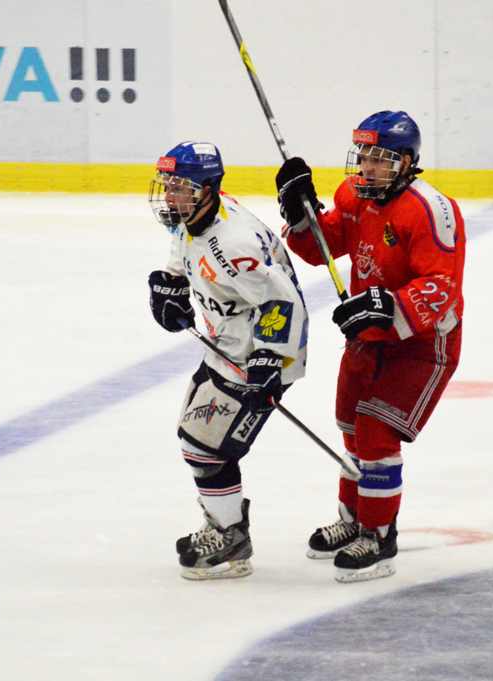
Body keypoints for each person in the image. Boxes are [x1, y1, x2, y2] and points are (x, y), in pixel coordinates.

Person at [275, 111, 466, 583]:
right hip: (369, 337)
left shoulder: (432, 210)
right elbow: (323, 246)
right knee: (351, 431)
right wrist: (300, 217)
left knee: (376, 433)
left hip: (422, 342)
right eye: (364, 156)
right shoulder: (354, 196)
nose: (367, 167)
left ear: (406, 163)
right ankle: (354, 519)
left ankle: (379, 537)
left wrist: (386, 306)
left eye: (379, 159)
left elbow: (442, 287)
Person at [147, 141, 309, 580]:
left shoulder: (234, 244)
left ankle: (230, 535)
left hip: (259, 354)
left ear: (206, 189)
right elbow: (183, 247)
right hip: (227, 344)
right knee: (195, 439)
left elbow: (282, 302)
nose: (170, 196)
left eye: (179, 187)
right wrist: (170, 283)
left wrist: (270, 361)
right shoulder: (194, 217)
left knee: (206, 447)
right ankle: (226, 525)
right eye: (167, 185)